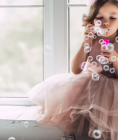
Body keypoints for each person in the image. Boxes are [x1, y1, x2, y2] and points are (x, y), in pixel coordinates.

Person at [27, 0, 118, 140]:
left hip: (112, 92)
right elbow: (76, 70)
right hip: (90, 86)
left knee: (107, 125)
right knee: (82, 120)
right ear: (92, 21)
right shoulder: (93, 40)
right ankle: (73, 136)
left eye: (112, 17)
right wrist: (86, 42)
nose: (106, 23)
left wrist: (114, 58)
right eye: (100, 18)